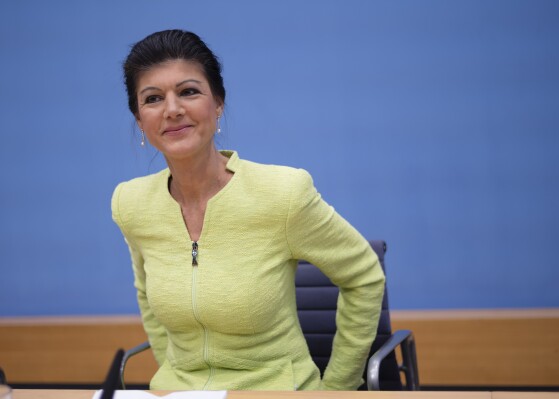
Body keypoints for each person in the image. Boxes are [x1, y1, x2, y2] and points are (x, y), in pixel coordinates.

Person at [112, 29, 385, 391]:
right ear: (139, 120)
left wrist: (334, 391)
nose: (173, 109)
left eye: (189, 91)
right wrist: (175, 381)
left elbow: (364, 276)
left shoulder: (282, 194)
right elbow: (146, 293)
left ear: (218, 103)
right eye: (153, 98)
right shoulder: (130, 204)